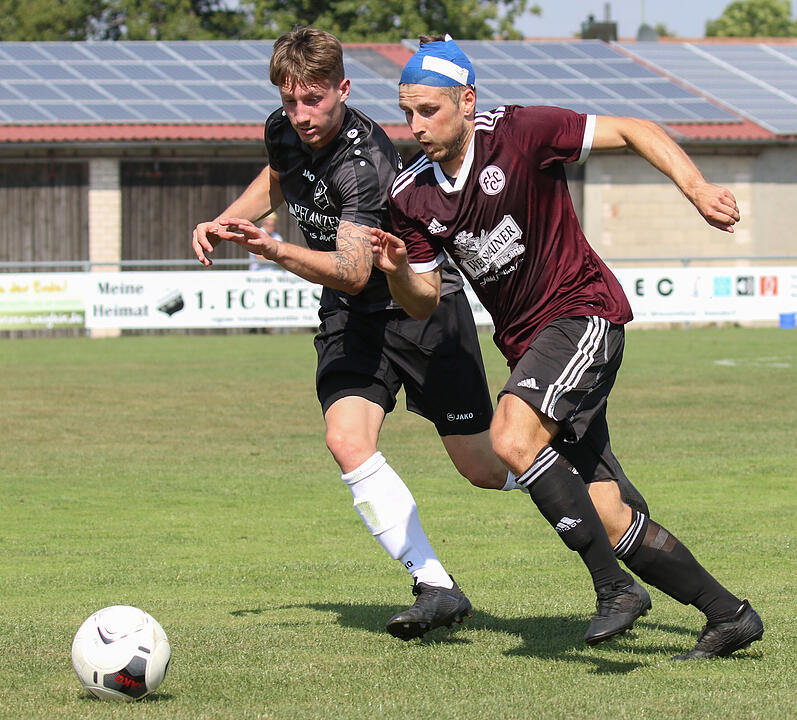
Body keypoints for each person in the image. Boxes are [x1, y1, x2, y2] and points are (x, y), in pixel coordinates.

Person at [371, 35, 764, 659]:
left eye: (428, 111)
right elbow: (421, 301)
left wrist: (695, 190)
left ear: (467, 102)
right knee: (607, 514)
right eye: (407, 112)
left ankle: (614, 589)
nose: (415, 125)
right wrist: (395, 270)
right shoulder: (410, 196)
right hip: (530, 346)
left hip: (583, 314)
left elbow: (636, 130)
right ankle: (729, 614)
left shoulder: (523, 131)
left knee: (509, 437)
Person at [192, 27, 509, 641]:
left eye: (314, 100)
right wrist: (230, 219)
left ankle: (579, 479)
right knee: (345, 438)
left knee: (486, 468)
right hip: (350, 315)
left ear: (343, 88)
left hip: (416, 305)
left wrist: (275, 249)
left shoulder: (365, 165)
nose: (301, 116)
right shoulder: (282, 129)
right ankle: (435, 584)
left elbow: (354, 267)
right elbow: (280, 177)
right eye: (290, 101)